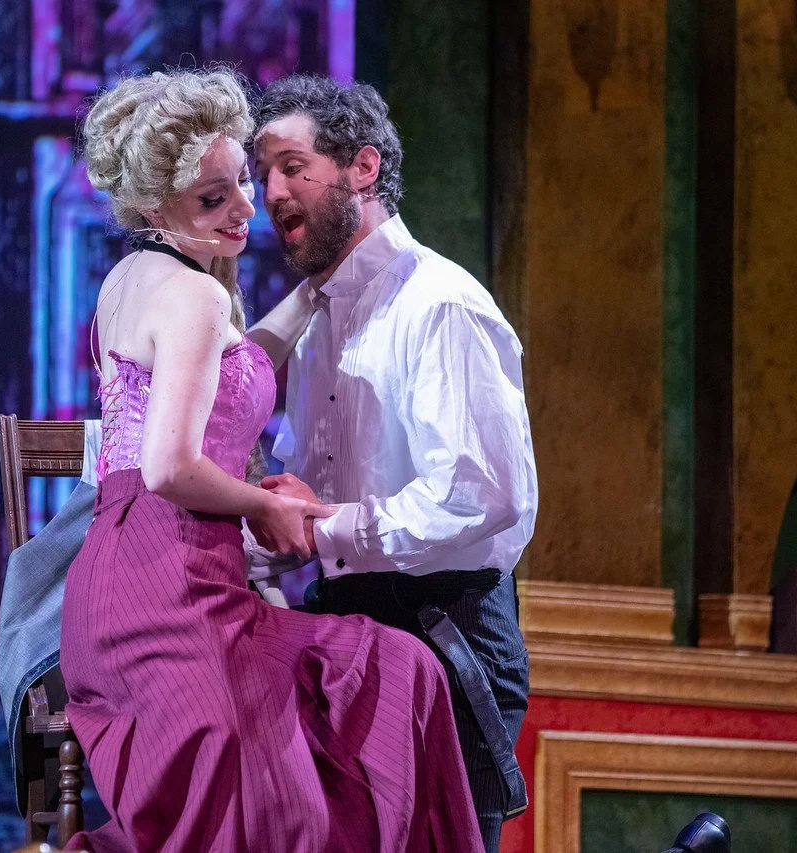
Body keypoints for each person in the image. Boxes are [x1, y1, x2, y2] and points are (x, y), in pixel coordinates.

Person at [58, 68, 483, 853]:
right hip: (170, 589)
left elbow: (225, 374)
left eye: (240, 185)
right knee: (383, 691)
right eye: (211, 202)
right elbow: (168, 466)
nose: (246, 210)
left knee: (389, 672)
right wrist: (265, 506)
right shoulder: (197, 297)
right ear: (155, 209)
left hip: (125, 586)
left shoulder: (130, 278)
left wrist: (315, 291)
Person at [248, 75, 539, 853]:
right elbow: (299, 491)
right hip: (346, 628)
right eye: (261, 172)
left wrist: (325, 525)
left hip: (446, 637)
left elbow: (480, 493)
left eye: (289, 166)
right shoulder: (317, 326)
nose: (269, 191)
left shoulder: (439, 303)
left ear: (363, 167)